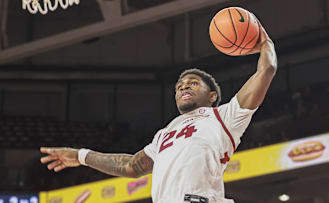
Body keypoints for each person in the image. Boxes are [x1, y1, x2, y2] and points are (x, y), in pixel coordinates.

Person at [40, 17, 277, 203]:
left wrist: (264, 40)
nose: (184, 86)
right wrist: (81, 156)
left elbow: (266, 70)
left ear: (212, 95)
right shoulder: (165, 133)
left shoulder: (225, 116)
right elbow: (133, 166)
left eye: (193, 83)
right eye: (179, 86)